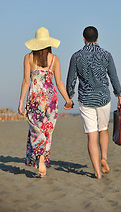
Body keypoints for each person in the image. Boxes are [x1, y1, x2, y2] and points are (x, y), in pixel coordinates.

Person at [66, 26, 121, 179]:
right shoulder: (106, 55)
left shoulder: (76, 56)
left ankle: (97, 172)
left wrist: (69, 97)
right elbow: (113, 77)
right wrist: (119, 96)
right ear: (97, 38)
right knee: (103, 130)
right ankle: (104, 158)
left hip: (86, 99)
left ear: (83, 39)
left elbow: (71, 79)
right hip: (103, 98)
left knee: (92, 136)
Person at [18, 27, 73, 177]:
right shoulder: (54, 59)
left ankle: (39, 159)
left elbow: (25, 81)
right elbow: (59, 82)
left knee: (36, 130)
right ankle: (42, 159)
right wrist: (68, 100)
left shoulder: (28, 58)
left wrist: (21, 101)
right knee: (47, 131)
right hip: (50, 100)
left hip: (35, 98)